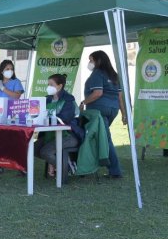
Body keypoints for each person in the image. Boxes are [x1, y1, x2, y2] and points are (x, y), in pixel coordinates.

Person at [80, 50, 127, 178]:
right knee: (102, 137)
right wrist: (123, 114)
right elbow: (120, 97)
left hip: (98, 109)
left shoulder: (97, 74)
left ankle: (115, 171)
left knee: (105, 139)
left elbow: (98, 93)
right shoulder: (114, 75)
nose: (89, 63)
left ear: (98, 60)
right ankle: (98, 163)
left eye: (91, 60)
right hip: (113, 109)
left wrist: (83, 102)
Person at [34, 74, 84, 179]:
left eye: (51, 84)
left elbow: (64, 118)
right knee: (33, 149)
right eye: (48, 84)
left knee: (45, 152)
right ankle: (57, 162)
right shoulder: (46, 99)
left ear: (60, 86)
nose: (48, 87)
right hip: (51, 134)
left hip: (69, 135)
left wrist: (47, 118)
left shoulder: (69, 100)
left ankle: (69, 167)